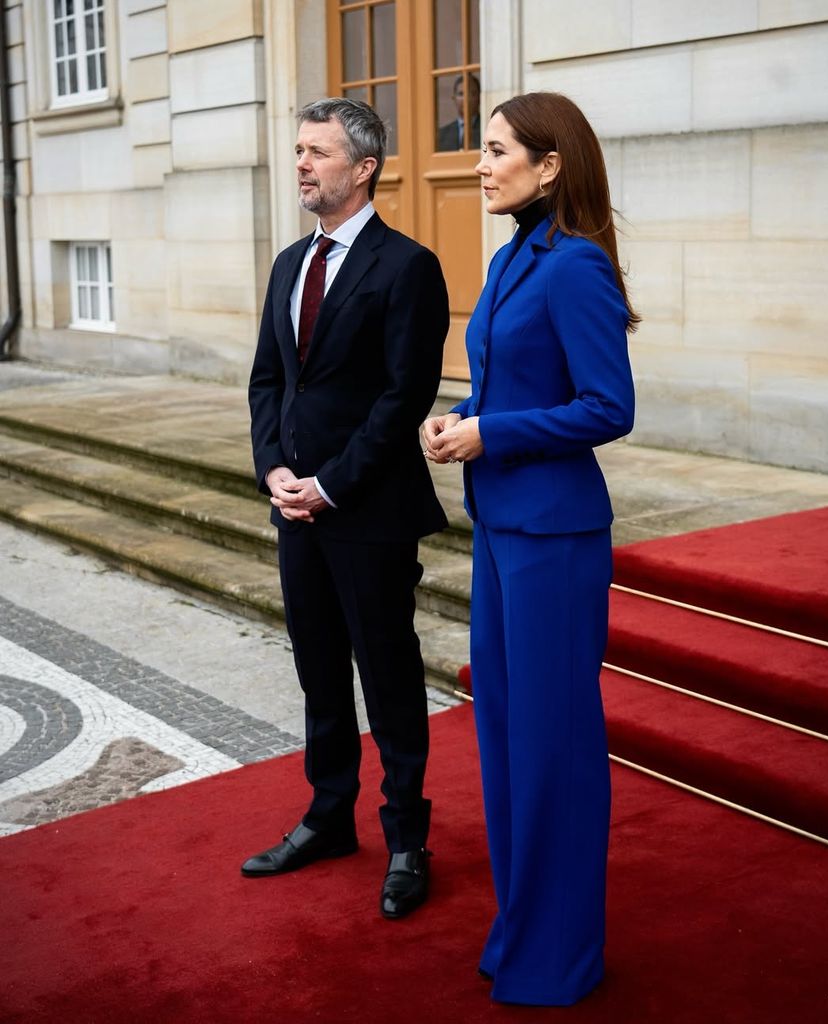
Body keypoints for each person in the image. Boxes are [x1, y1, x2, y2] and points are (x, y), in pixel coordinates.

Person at [423, 91, 637, 1005]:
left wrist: (492, 432)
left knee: (553, 747)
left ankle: (559, 957)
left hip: (555, 539)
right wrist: (462, 420)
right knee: (509, 740)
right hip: (503, 531)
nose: (480, 162)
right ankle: (521, 931)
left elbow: (608, 407)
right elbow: (514, 385)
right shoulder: (515, 257)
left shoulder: (576, 266)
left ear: (549, 164)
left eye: (498, 148)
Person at [245, 98, 449, 921]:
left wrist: (330, 482)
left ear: (362, 168)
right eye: (297, 150)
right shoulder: (290, 262)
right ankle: (329, 817)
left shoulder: (407, 266)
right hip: (296, 512)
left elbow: (404, 398)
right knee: (319, 675)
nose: (301, 164)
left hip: (369, 511)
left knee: (389, 677)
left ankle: (406, 838)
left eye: (317, 152)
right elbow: (267, 381)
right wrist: (275, 473)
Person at [436, 74, 481, 151]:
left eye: (472, 93)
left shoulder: (487, 128)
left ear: (479, 97)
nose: (466, 98)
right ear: (454, 98)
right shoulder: (442, 135)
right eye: (461, 94)